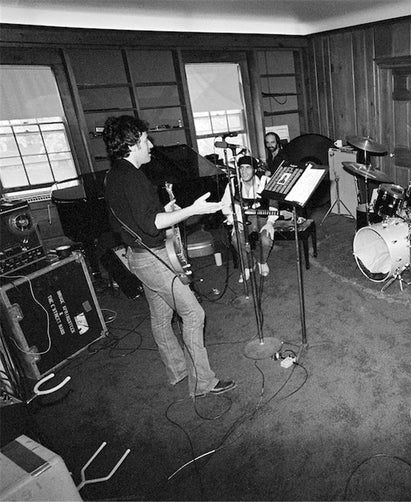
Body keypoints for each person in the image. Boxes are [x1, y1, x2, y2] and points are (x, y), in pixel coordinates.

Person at [103, 115, 236, 398]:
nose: (150, 144)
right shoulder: (134, 178)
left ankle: (177, 371)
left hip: (137, 258)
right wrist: (191, 210)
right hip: (152, 259)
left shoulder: (114, 175)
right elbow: (152, 224)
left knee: (161, 317)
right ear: (131, 144)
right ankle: (203, 383)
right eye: (145, 140)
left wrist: (167, 208)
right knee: (193, 313)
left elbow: (134, 218)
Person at [221, 155, 290, 280]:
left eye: (248, 168)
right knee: (236, 240)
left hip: (262, 218)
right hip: (241, 219)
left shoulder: (265, 181)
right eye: (241, 168)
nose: (244, 171)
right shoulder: (232, 183)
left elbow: (273, 204)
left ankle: (261, 261)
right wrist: (234, 220)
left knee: (265, 239)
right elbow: (224, 205)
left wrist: (270, 223)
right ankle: (248, 265)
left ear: (254, 169)